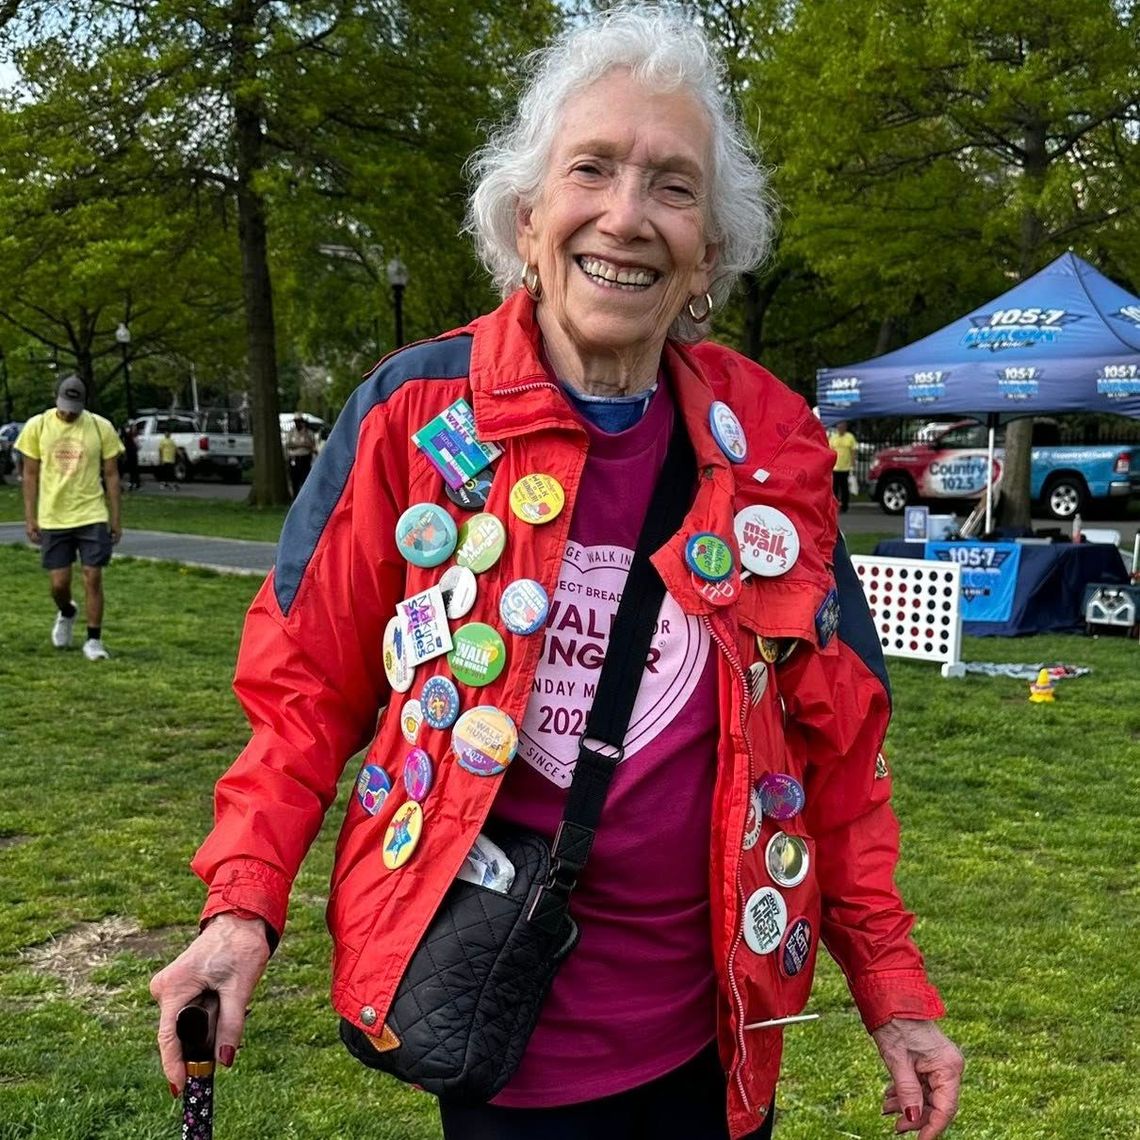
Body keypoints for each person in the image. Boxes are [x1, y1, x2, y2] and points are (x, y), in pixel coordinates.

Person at [150, 8, 963, 1139]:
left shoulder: (770, 444)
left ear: (708, 260)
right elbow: (303, 690)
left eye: (673, 187)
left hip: (718, 1040)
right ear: (527, 220)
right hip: (497, 1030)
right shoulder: (413, 414)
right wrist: (241, 909)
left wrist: (893, 990)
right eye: (593, 169)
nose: (627, 216)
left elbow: (838, 740)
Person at [16, 374, 123, 661]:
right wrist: (30, 516)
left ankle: (94, 640)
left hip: (91, 512)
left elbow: (112, 474)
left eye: (73, 408)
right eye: (63, 406)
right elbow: (30, 473)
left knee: (93, 576)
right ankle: (67, 611)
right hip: (54, 515)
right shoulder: (37, 426)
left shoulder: (101, 428)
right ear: (55, 399)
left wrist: (115, 518)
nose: (68, 413)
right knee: (59, 583)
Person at [284, 413, 318, 497]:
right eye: (296, 422)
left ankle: (305, 497)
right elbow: (289, 444)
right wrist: (302, 445)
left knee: (305, 479)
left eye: (299, 421)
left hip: (305, 458)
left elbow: (312, 446)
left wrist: (302, 444)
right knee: (294, 479)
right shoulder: (291, 432)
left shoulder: (308, 433)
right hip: (294, 458)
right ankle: (295, 496)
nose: (297, 423)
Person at [828, 420, 858, 513]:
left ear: (845, 427)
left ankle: (845, 506)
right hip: (835, 467)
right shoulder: (833, 438)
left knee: (844, 488)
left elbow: (853, 451)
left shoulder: (850, 437)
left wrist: (853, 463)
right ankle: (835, 506)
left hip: (845, 468)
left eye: (842, 426)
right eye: (839, 427)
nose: (840, 428)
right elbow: (830, 451)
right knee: (834, 489)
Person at [121, 421, 141, 491]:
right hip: (130, 453)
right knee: (132, 469)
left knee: (133, 469)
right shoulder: (129, 435)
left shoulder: (132, 436)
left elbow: (138, 445)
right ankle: (134, 482)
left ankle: (135, 483)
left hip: (131, 453)